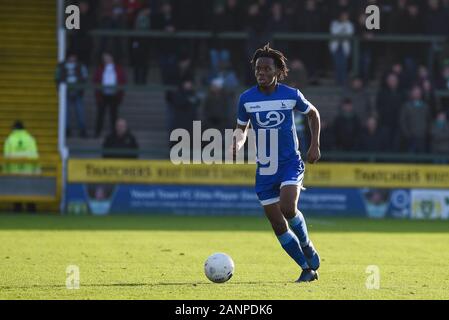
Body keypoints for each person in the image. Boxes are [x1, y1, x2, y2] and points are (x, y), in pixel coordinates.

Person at [230, 44, 321, 283]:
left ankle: (306, 244)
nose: (261, 72)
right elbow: (241, 129)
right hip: (265, 168)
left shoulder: (290, 94)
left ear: (277, 71)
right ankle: (305, 268)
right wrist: (236, 145)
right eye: (258, 68)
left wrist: (314, 145)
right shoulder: (246, 99)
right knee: (278, 224)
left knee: (288, 207)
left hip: (290, 162)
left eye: (266, 68)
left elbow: (313, 113)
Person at [3, 121, 40, 212]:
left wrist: (6, 172)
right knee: (30, 193)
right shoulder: (30, 139)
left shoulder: (9, 140)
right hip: (29, 172)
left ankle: (17, 209)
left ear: (13, 128)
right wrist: (37, 171)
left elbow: (6, 157)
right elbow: (35, 156)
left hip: (14, 172)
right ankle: (31, 209)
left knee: (16, 194)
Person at [55, 52, 88, 138]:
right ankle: (66, 130)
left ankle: (82, 129)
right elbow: (57, 77)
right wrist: (59, 89)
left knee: (80, 111)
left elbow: (85, 77)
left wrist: (81, 88)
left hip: (77, 92)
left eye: (74, 57)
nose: (72, 59)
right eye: (71, 57)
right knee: (65, 112)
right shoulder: (61, 66)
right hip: (65, 92)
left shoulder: (81, 65)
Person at [93, 52, 127, 138]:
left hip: (114, 95)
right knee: (100, 114)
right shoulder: (100, 69)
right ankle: (97, 132)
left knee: (114, 116)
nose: (106, 59)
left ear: (112, 58)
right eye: (104, 58)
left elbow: (123, 80)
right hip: (102, 95)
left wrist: (120, 93)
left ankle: (114, 134)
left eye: (108, 58)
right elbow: (95, 80)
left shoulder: (118, 69)